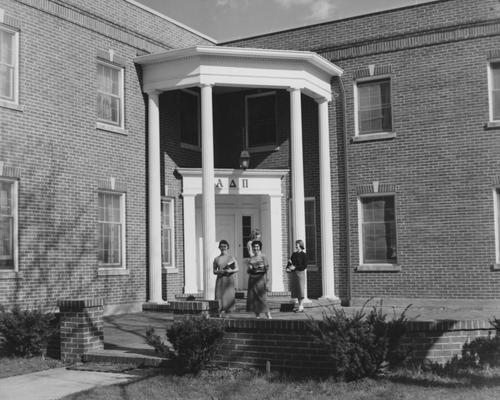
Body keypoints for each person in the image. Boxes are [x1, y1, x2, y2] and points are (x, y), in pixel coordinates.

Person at [246, 240, 272, 319]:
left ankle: (268, 315)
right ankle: (257, 315)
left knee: (262, 297)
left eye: (257, 246)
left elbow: (267, 270)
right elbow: (248, 271)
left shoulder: (263, 257)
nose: (255, 248)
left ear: (260, 247)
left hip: (260, 279)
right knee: (253, 298)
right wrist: (249, 267)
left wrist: (267, 282)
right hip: (252, 280)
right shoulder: (251, 258)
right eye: (254, 247)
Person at [213, 239, 239, 317]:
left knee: (228, 297)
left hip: (229, 280)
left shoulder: (231, 258)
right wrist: (219, 271)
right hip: (220, 280)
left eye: (224, 246)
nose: (223, 248)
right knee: (219, 296)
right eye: (221, 246)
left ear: (228, 247)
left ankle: (228, 315)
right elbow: (214, 271)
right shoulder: (216, 259)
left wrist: (231, 271)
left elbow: (237, 268)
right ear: (219, 248)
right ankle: (220, 313)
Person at [286, 239, 307, 312]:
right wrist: (288, 268)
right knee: (297, 290)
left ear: (300, 245)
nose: (296, 245)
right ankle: (300, 306)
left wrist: (295, 267)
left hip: (300, 274)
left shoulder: (304, 255)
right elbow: (290, 262)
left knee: (300, 289)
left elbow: (304, 266)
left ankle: (301, 306)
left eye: (297, 244)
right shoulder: (294, 254)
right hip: (294, 274)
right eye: (296, 244)